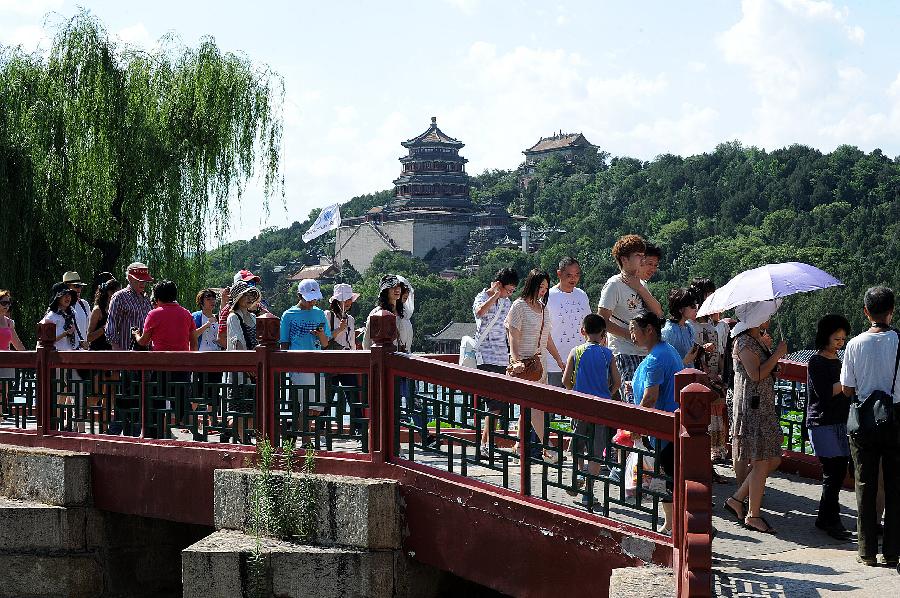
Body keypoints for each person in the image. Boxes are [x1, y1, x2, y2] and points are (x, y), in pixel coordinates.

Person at [840, 286, 900, 567]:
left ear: (866, 312)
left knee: (864, 485)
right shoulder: (899, 341)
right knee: (895, 485)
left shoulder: (854, 344)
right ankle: (892, 551)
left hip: (863, 421)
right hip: (896, 419)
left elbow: (847, 387)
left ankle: (866, 552)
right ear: (892, 311)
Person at [723, 300, 787, 535]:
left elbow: (765, 370)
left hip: (761, 405)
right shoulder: (743, 341)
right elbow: (756, 373)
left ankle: (738, 500)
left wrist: (772, 356)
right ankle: (752, 514)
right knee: (762, 460)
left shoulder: (755, 339)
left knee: (767, 458)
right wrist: (777, 354)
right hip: (753, 407)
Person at [363, 275, 439, 448]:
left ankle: (420, 436)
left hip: (404, 364)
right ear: (384, 290)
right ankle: (379, 446)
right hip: (387, 366)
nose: (397, 290)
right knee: (387, 406)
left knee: (411, 402)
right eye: (392, 287)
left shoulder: (403, 313)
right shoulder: (376, 313)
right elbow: (367, 343)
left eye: (399, 287)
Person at [628, 311, 683, 534]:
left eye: (634, 331)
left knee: (669, 478)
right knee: (669, 478)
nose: (631, 336)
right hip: (672, 426)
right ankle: (671, 523)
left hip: (664, 429)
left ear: (649, 330)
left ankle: (676, 525)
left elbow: (650, 397)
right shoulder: (666, 350)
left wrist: (636, 425)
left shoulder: (655, 359)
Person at [505, 269, 566, 462]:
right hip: (524, 364)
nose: (543, 291)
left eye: (546, 288)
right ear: (531, 284)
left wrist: (557, 359)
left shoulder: (543, 308)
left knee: (528, 408)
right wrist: (515, 361)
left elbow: (547, 337)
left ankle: (518, 445)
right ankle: (547, 447)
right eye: (540, 287)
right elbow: (513, 335)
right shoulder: (519, 306)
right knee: (536, 407)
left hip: (540, 364)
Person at [562, 314, 620, 508]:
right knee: (596, 452)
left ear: (582, 331)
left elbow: (565, 380)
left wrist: (574, 393)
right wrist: (607, 394)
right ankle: (589, 491)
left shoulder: (576, 352)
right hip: (600, 409)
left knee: (578, 445)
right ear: (604, 334)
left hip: (581, 408)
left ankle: (578, 473)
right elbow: (617, 382)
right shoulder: (607, 354)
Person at [597, 235, 664, 403]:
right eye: (638, 256)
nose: (642, 259)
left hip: (645, 351)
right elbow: (602, 320)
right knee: (633, 400)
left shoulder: (642, 284)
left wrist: (639, 288)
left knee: (649, 400)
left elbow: (658, 312)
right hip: (624, 352)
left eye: (643, 255)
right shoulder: (614, 285)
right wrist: (630, 335)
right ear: (624, 259)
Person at [807, 314, 853, 541]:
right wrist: (847, 381)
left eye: (843, 339)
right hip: (822, 423)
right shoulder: (816, 362)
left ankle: (824, 517)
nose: (840, 342)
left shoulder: (838, 360)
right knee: (833, 473)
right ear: (825, 337)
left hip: (839, 422)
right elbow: (825, 392)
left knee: (836, 472)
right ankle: (832, 520)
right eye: (837, 338)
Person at [472, 268, 519, 457]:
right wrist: (495, 296)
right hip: (485, 355)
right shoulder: (482, 296)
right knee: (493, 403)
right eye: (509, 290)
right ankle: (485, 444)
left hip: (501, 355)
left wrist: (512, 355)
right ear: (499, 284)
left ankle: (487, 443)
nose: (510, 294)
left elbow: (509, 329)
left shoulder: (508, 303)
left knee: (497, 404)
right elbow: (479, 312)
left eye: (512, 291)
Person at [280, 279, 330, 416]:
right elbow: (284, 343)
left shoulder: (319, 313)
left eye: (314, 299)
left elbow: (325, 343)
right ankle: (305, 437)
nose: (312, 302)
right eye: (309, 299)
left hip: (317, 363)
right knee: (307, 407)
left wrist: (320, 334)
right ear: (299, 296)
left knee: (317, 408)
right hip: (298, 364)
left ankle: (307, 435)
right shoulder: (288, 315)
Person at [224, 280, 261, 443]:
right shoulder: (233, 317)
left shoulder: (253, 317)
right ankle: (240, 436)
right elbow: (237, 342)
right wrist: (246, 364)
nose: (247, 298)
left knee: (252, 406)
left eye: (249, 295)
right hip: (240, 367)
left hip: (254, 366)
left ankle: (241, 434)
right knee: (238, 406)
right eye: (244, 295)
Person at [546, 257, 592, 387]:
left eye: (577, 275)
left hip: (580, 361)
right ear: (559, 274)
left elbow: (588, 324)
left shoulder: (582, 295)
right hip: (554, 364)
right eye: (569, 275)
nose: (573, 279)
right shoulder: (548, 296)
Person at [324, 283, 363, 436]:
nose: (348, 303)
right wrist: (339, 329)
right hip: (331, 362)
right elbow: (324, 340)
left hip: (348, 361)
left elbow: (351, 342)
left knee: (354, 397)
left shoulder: (351, 319)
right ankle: (323, 431)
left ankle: (359, 431)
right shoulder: (328, 315)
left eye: (349, 300)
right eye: (345, 300)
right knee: (327, 398)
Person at [105, 263, 153, 351]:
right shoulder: (119, 297)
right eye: (139, 280)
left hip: (145, 353)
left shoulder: (146, 299)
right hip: (126, 350)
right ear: (130, 278)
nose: (143, 283)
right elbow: (111, 327)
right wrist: (118, 352)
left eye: (144, 281)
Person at [0, 290, 27, 410]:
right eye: (4, 302)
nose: (7, 305)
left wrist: (30, 357)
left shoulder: (9, 323)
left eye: (9, 302)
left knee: (2, 393)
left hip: (6, 361)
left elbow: (17, 343)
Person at [661, 287, 700, 364]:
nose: (696, 309)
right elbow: (664, 365)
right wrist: (685, 362)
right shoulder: (669, 332)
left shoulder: (689, 327)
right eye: (692, 306)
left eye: (696, 305)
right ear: (680, 309)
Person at [62, 271, 92, 351]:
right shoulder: (60, 307)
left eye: (80, 287)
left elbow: (89, 329)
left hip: (83, 353)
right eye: (76, 286)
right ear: (67, 288)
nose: (79, 290)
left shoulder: (84, 304)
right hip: (66, 353)